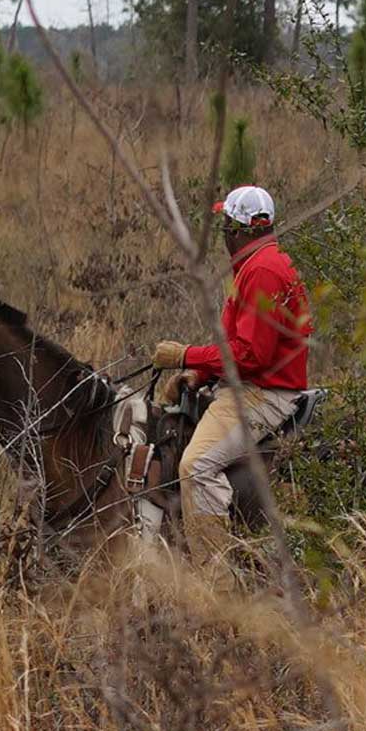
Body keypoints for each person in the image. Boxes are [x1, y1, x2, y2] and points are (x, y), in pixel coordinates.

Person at [147, 185, 312, 542]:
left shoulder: (262, 272)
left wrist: (184, 355)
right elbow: (232, 344)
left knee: (196, 467)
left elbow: (251, 356)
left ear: (238, 231)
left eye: (226, 225)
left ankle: (215, 580)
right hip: (254, 386)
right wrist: (198, 373)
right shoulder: (261, 263)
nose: (223, 233)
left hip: (263, 395)